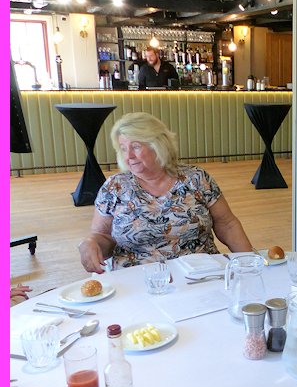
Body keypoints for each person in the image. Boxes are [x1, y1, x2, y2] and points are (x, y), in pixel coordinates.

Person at [78, 112, 253, 272]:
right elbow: (102, 236)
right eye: (123, 148)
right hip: (137, 279)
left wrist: (250, 262)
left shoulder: (196, 178)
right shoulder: (115, 187)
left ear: (158, 145)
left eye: (136, 147)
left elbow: (227, 224)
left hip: (200, 273)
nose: (128, 156)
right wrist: (91, 243)